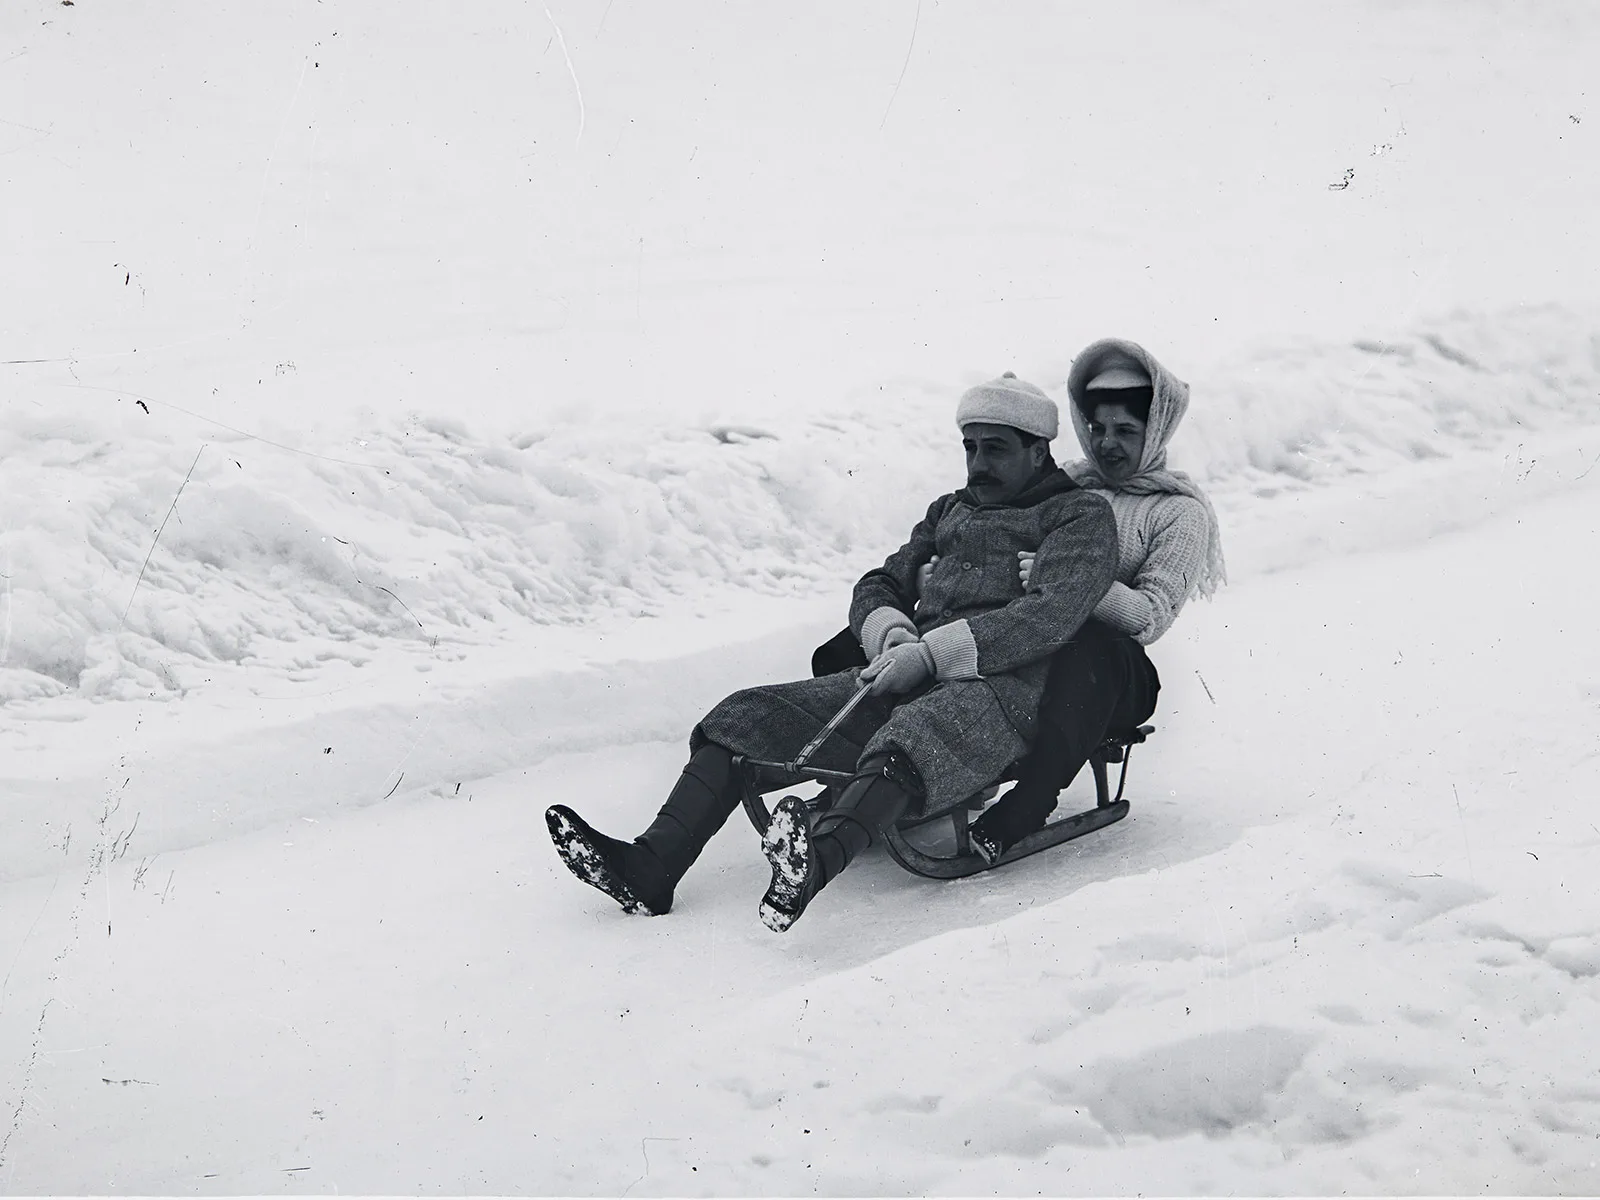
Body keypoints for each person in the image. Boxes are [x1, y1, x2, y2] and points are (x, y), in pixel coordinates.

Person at [546, 372, 1119, 931]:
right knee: (747, 713)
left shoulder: (1078, 516)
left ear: (1039, 451)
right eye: (969, 447)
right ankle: (652, 864)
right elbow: (880, 581)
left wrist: (931, 655)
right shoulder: (950, 509)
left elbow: (1050, 615)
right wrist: (891, 632)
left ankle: (815, 862)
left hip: (1005, 694)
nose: (977, 464)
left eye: (995, 450)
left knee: (919, 732)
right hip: (906, 669)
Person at [950, 339, 1227, 861]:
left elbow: (1149, 617)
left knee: (1090, 648)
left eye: (1126, 431)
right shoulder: (1068, 484)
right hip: (1031, 640)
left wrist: (1077, 581)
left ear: (1157, 429)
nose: (1107, 445)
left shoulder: (1176, 513)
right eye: (1097, 429)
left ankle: (1029, 803)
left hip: (1113, 671)